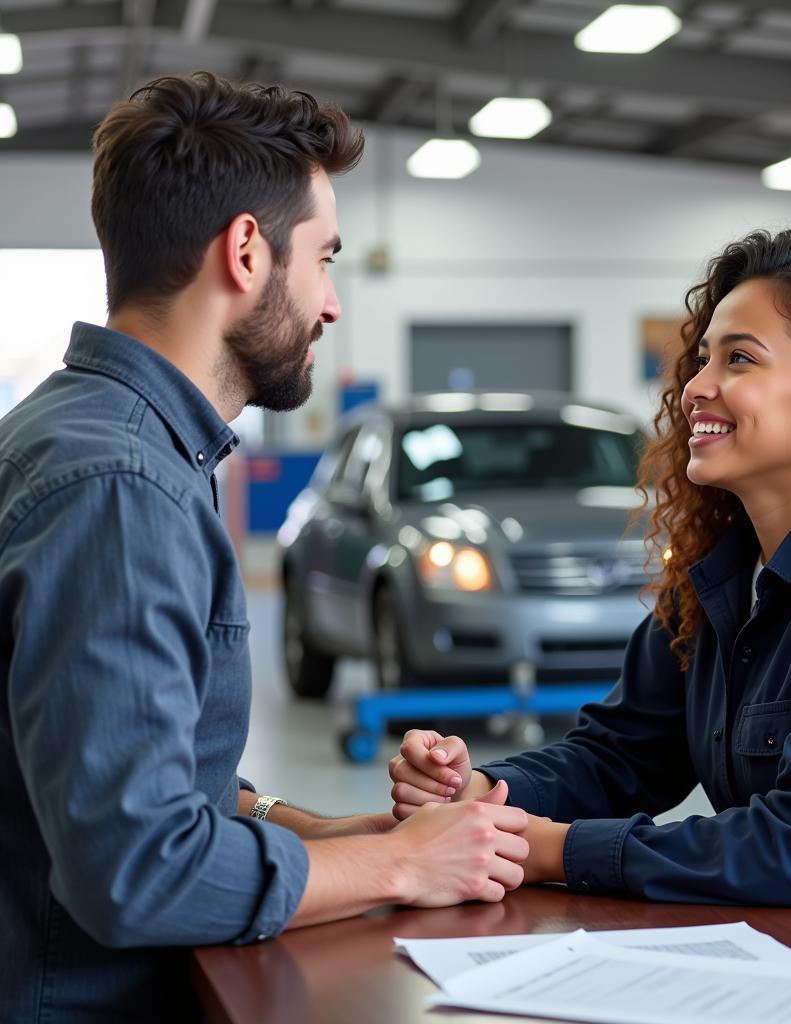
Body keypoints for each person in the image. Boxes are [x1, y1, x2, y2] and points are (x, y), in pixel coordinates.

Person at [0, 72, 528, 1024]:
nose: (331, 303)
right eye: (324, 258)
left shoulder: (104, 438)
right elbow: (136, 870)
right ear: (246, 251)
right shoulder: (120, 487)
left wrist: (335, 836)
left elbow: (140, 763)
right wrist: (403, 861)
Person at [390, 229, 791, 1008]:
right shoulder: (725, 569)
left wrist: (547, 848)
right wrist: (482, 791)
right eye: (703, 359)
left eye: (741, 360)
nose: (696, 385)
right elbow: (620, 755)